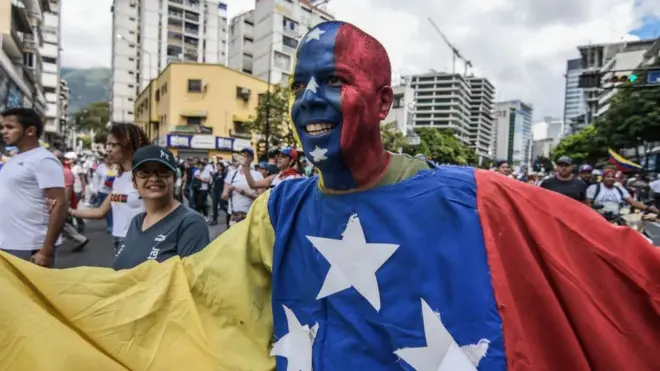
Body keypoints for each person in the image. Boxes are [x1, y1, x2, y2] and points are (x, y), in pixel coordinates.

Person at [1, 21, 660, 371]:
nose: (311, 96)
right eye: (302, 83)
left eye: (335, 79)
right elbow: (182, 297)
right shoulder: (279, 209)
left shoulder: (482, 200)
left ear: (383, 102)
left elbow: (622, 272)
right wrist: (34, 294)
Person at [113, 145, 210, 270]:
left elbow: (193, 282)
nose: (154, 178)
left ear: (174, 179)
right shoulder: (136, 221)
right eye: (144, 173)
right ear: (134, 182)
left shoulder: (191, 223)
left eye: (163, 172)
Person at [0, 108, 68, 267]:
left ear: (30, 131)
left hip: (31, 246)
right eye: (2, 127)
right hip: (8, 244)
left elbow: (60, 204)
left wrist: (46, 251)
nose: (3, 131)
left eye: (10, 127)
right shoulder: (14, 160)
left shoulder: (43, 160)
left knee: (32, 293)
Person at [69, 124, 149, 251]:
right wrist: (69, 211)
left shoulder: (146, 176)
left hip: (140, 243)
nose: (108, 149)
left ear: (128, 145)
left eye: (113, 145)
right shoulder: (119, 177)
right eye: (107, 145)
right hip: (119, 241)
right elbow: (101, 212)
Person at [221, 147, 263, 227]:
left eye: (247, 156)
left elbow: (261, 199)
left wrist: (244, 193)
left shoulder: (257, 175)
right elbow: (224, 196)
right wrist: (228, 192)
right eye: (242, 155)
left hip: (251, 215)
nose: (244, 158)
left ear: (252, 159)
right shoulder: (231, 174)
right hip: (234, 215)